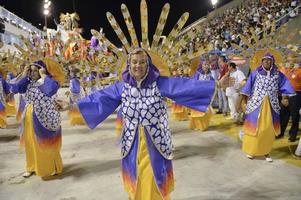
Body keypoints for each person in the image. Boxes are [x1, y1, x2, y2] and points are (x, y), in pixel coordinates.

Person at [57, 48, 216, 200]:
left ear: (148, 64)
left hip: (156, 143)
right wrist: (71, 105)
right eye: (134, 62)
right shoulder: (122, 87)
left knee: (151, 178)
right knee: (136, 178)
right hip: (131, 144)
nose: (137, 66)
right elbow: (98, 100)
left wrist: (217, 85)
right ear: (129, 64)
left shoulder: (159, 84)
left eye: (141, 62)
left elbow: (186, 88)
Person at [10, 60, 64, 178]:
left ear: (42, 71)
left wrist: (44, 75)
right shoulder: (27, 83)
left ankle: (50, 167)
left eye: (36, 70)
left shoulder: (48, 82)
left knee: (46, 143)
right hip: (30, 116)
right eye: (31, 70)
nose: (33, 73)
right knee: (31, 143)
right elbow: (15, 89)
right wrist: (24, 74)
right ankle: (32, 166)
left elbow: (50, 90)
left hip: (46, 117)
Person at [238, 53, 295, 162]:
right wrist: (241, 103)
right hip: (256, 105)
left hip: (272, 106)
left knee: (268, 130)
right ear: (262, 61)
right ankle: (251, 151)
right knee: (255, 128)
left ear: (272, 62)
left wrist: (285, 98)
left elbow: (284, 86)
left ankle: (266, 152)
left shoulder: (278, 74)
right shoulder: (255, 73)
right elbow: (247, 88)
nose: (267, 62)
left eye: (269, 60)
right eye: (265, 60)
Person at [278, 53, 301, 142]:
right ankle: (280, 132)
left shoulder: (299, 70)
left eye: (294, 59)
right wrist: (283, 97)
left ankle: (293, 135)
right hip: (284, 95)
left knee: (294, 116)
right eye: (289, 59)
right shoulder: (283, 69)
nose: (291, 61)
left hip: (296, 95)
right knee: (283, 115)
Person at [189, 60, 215, 131]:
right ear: (202, 65)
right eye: (205, 64)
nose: (206, 66)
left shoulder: (210, 76)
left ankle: (204, 125)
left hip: (205, 96)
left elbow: (213, 85)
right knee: (197, 111)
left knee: (205, 112)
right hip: (197, 95)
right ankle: (198, 125)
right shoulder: (197, 74)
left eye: (207, 64)